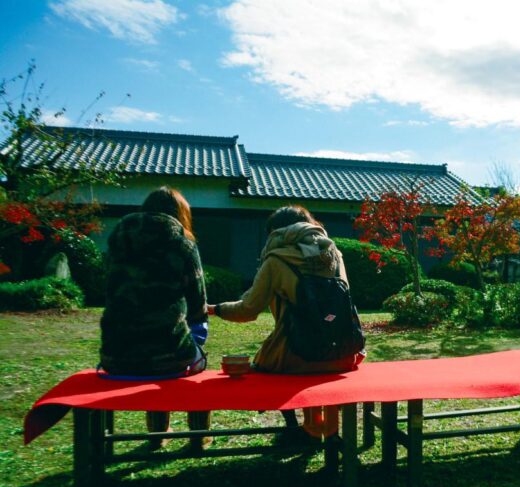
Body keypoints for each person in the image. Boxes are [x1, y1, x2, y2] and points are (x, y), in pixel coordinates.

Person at [208, 205, 365, 438]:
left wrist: (215, 309)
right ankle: (328, 430)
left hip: (295, 357)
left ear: (276, 232)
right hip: (343, 353)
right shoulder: (334, 255)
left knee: (268, 360)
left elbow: (248, 310)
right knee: (313, 352)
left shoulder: (276, 260)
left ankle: (298, 428)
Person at [99, 186, 211, 449]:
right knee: (195, 361)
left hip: (116, 354)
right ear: (180, 214)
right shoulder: (182, 243)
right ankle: (198, 435)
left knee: (161, 350)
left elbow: (109, 288)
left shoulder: (118, 241)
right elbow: (198, 304)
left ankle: (157, 433)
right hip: (169, 357)